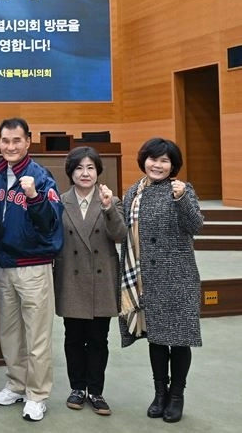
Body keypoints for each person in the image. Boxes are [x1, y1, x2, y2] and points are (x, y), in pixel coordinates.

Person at [118, 138, 203, 424]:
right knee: (156, 339)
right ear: (144, 161)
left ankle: (176, 395)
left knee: (179, 340)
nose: (158, 164)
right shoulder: (133, 192)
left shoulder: (182, 190)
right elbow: (121, 229)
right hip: (146, 279)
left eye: (165, 160)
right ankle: (159, 393)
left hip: (177, 279)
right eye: (153, 159)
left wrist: (181, 200)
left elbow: (195, 226)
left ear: (173, 166)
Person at [0, 118, 63, 422]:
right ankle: (16, 384)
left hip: (34, 267)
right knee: (10, 333)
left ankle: (36, 394)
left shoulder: (40, 177)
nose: (10, 146)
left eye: (16, 140)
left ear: (28, 141)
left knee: (38, 336)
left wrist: (34, 197)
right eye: (5, 141)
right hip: (4, 266)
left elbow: (51, 223)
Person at [54, 146, 127, 417]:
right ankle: (77, 388)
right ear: (70, 173)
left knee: (98, 338)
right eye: (79, 168)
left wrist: (108, 208)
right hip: (71, 276)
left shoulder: (111, 199)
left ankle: (96, 390)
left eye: (90, 168)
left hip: (101, 279)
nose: (85, 173)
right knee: (73, 337)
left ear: (98, 172)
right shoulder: (60, 201)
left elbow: (120, 235)